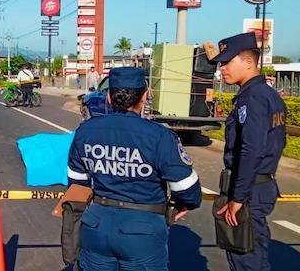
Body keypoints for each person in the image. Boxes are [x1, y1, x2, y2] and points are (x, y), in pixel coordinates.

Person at [67, 67, 202, 270]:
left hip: (96, 226)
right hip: (143, 232)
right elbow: (187, 189)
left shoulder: (86, 131)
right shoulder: (159, 136)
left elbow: (76, 181)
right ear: (144, 96)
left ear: (109, 98)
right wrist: (183, 205)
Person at [210, 32, 286, 271]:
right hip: (258, 186)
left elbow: (251, 150)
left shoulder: (252, 98)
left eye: (227, 62)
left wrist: (238, 198)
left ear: (249, 62)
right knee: (249, 256)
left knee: (246, 259)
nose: (222, 69)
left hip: (249, 190)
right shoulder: (268, 95)